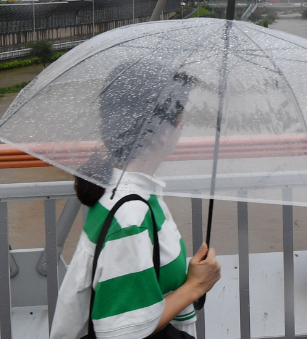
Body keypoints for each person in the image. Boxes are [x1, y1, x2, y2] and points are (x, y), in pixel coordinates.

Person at [50, 62, 221, 339]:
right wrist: (195, 287)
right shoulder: (131, 216)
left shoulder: (117, 189)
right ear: (164, 132)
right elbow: (124, 333)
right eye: (180, 118)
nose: (183, 125)